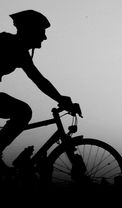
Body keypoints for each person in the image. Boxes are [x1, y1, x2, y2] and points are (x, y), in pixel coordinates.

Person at [0, 10, 73, 173]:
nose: (44, 37)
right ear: (30, 31)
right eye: (42, 32)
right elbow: (39, 80)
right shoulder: (10, 44)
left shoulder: (17, 48)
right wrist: (61, 100)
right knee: (22, 112)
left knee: (21, 111)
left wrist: (60, 98)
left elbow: (39, 79)